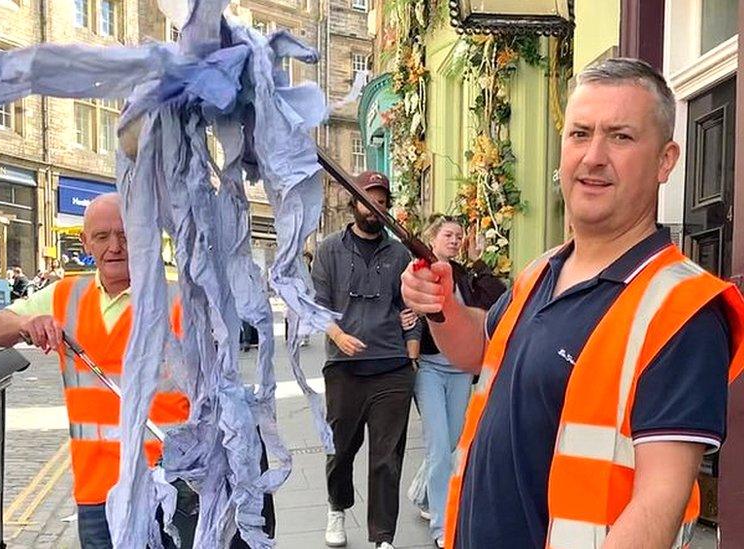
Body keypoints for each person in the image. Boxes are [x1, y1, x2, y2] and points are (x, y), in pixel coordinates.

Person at [400, 58, 744, 548]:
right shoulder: (542, 270)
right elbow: (479, 350)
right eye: (580, 134)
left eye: (620, 137)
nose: (594, 156)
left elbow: (658, 505)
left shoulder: (683, 310)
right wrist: (441, 307)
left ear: (666, 160)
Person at [0, 194, 192, 548]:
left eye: (125, 235)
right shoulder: (65, 294)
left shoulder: (178, 299)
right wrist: (28, 321)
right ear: (86, 242)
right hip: (95, 489)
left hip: (167, 483)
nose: (115, 247)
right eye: (103, 236)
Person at [311, 170, 421, 549]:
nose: (374, 206)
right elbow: (317, 307)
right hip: (344, 369)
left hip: (392, 367)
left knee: (387, 457)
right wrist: (339, 336)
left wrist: (412, 350)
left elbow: (410, 307)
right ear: (352, 202)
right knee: (340, 450)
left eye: (381, 200)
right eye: (367, 198)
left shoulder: (400, 253)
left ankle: (382, 537)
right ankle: (337, 508)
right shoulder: (328, 250)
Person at [399, 215, 500, 549]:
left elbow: (495, 299)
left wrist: (477, 261)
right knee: (439, 445)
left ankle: (421, 493)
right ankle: (443, 527)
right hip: (428, 367)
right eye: (448, 235)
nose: (455, 240)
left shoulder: (463, 274)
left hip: (459, 370)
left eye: (459, 236)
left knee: (452, 444)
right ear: (432, 238)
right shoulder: (420, 271)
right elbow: (404, 306)